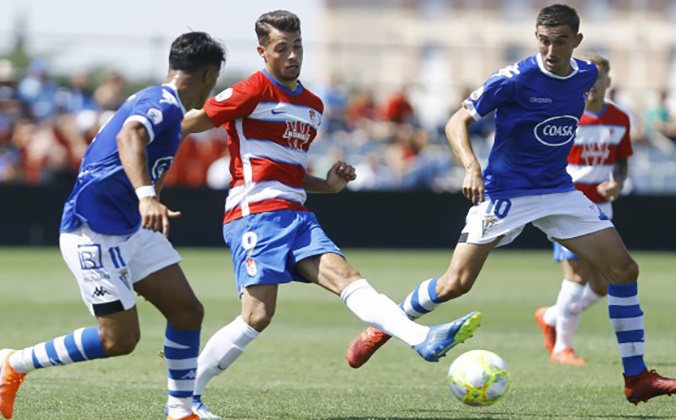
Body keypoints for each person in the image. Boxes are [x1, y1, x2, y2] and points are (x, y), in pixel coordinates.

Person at [345, 4, 676, 404]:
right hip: (505, 194)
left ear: (577, 41)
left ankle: (636, 377)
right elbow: (455, 123)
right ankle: (385, 327)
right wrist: (471, 167)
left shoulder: (586, 76)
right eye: (543, 41)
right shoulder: (514, 78)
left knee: (624, 269)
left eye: (560, 42)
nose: (551, 50)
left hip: (557, 192)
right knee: (455, 284)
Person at [180, 10, 481, 419]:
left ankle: (422, 337)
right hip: (256, 214)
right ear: (262, 52)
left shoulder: (312, 104)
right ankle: (183, 401)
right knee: (257, 316)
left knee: (349, 279)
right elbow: (193, 123)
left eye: (297, 46)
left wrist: (329, 185)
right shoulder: (251, 89)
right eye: (281, 48)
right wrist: (148, 126)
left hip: (295, 210)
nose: (291, 55)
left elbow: (288, 173)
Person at [0, 32, 226, 420]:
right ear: (208, 76)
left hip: (131, 228)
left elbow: (169, 135)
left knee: (187, 311)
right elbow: (129, 134)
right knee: (119, 340)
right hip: (93, 231)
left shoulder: (165, 106)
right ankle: (13, 363)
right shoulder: (162, 103)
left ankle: (181, 410)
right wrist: (146, 195)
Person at [535, 54, 633, 366]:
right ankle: (562, 346)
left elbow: (621, 161)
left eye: (597, 77)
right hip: (566, 203)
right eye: (585, 78)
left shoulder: (619, 118)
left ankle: (551, 316)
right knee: (576, 276)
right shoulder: (565, 113)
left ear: (608, 81)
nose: (591, 84)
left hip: (601, 207)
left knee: (603, 284)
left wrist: (617, 183)